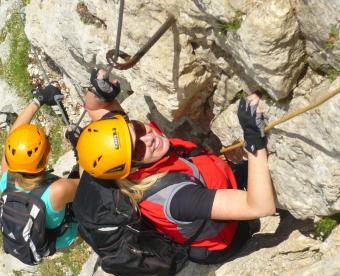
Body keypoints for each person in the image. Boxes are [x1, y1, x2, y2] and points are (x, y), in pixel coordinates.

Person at [77, 73, 275, 264]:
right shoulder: (175, 197)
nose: (149, 138)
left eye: (137, 128)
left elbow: (93, 107)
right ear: (132, 168)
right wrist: (253, 141)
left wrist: (99, 91)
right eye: (137, 150)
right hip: (228, 237)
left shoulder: (119, 143)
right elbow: (259, 206)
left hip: (211, 181)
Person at [0, 83, 80, 259]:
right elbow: (89, 183)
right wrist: (80, 147)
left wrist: (39, 99)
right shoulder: (57, 191)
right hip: (64, 237)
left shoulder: (5, 178)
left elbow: (12, 138)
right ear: (45, 159)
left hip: (38, 231)